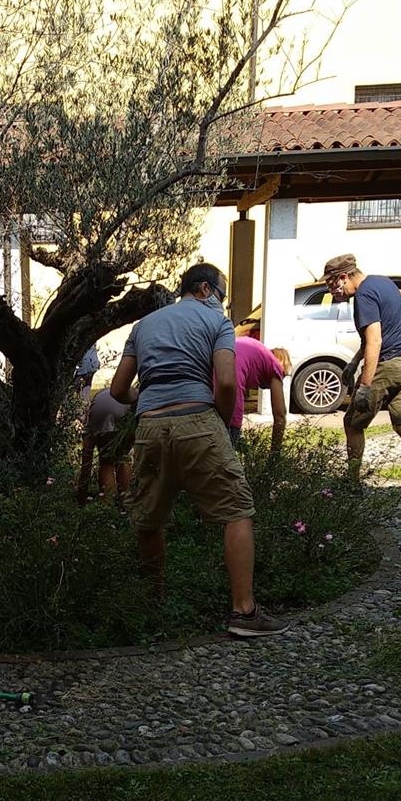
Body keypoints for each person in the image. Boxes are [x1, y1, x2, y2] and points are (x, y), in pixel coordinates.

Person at [110, 261, 289, 638]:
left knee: (148, 517)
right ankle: (244, 612)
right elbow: (225, 381)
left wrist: (150, 398)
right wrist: (220, 423)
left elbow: (117, 390)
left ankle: (152, 606)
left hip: (150, 426)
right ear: (205, 290)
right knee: (237, 508)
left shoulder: (143, 326)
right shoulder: (216, 323)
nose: (223, 305)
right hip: (199, 420)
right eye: (221, 296)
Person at [323, 254, 401, 504]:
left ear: (345, 276)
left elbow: (375, 340)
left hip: (389, 364)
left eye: (333, 284)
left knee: (353, 423)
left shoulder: (364, 296)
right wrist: (354, 362)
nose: (332, 290)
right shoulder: (383, 282)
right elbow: (382, 331)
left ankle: (352, 485)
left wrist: (365, 386)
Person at [229, 338, 290, 450]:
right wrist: (274, 456)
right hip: (230, 382)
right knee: (230, 439)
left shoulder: (257, 352)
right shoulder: (274, 365)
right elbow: (280, 416)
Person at [76, 387, 135, 504]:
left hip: (109, 413)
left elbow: (87, 457)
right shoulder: (101, 396)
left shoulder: (90, 424)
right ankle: (126, 501)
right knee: (122, 458)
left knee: (106, 463)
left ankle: (108, 503)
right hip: (129, 414)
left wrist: (82, 491)